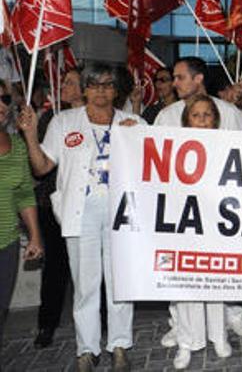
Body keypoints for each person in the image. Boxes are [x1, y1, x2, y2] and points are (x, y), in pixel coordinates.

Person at [18, 63, 144, 371]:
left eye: (108, 85)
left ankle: (119, 345)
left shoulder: (134, 122)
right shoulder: (63, 122)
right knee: (86, 285)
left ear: (117, 91)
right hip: (81, 210)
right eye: (94, 84)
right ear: (85, 89)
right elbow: (42, 167)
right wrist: (31, 134)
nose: (101, 90)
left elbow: (154, 167)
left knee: (120, 282)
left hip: (123, 212)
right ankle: (87, 349)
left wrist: (139, 139)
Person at [152, 57, 242, 346]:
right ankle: (180, 322)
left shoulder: (229, 112)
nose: (174, 83)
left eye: (180, 77)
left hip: (221, 204)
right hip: (182, 206)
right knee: (182, 265)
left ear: (198, 80)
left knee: (224, 261)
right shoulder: (166, 115)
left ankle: (231, 314)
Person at [169, 95, 231, 369]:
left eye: (207, 115)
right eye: (196, 115)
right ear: (186, 121)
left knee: (216, 279)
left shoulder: (228, 146)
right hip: (184, 223)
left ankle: (218, 336)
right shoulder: (172, 147)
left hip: (216, 223)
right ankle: (186, 342)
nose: (203, 120)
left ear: (215, 120)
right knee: (185, 282)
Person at [33, 69, 83, 348]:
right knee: (55, 268)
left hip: (84, 206)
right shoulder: (51, 120)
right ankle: (47, 325)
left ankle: (98, 323)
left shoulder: (96, 119)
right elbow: (40, 163)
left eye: (69, 83)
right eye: (62, 82)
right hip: (52, 206)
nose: (62, 86)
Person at [0, 79, 42, 348]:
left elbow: (25, 194)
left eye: (4, 99)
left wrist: (36, 236)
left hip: (7, 245)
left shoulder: (16, 147)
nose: (1, 106)